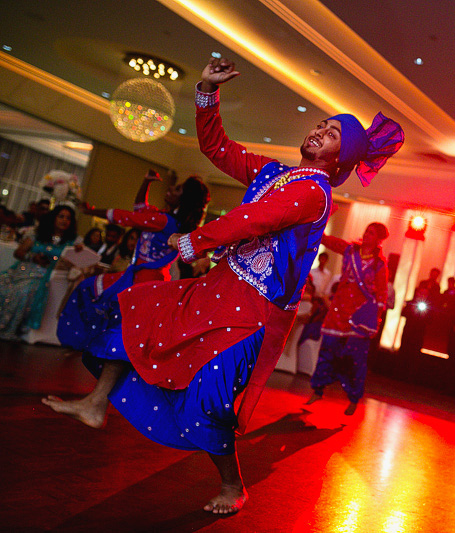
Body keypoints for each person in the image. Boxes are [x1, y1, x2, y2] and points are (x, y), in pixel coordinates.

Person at [43, 55, 403, 515]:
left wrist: (194, 241)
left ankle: (233, 485)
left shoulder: (316, 192)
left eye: (331, 134)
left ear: (340, 159)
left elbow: (257, 218)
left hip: (250, 311)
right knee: (139, 311)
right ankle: (95, 403)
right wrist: (207, 94)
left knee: (209, 400)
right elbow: (220, 151)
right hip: (217, 286)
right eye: (321, 123)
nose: (318, 130)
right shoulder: (275, 172)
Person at [54, 171, 210, 354]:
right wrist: (146, 182)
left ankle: (90, 346)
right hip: (140, 277)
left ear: (184, 198)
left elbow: (128, 217)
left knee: (110, 309)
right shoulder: (164, 218)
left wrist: (91, 211)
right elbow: (139, 208)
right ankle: (89, 345)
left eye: (177, 189)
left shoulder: (165, 221)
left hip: (145, 281)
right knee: (96, 296)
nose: (170, 189)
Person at [306, 222, 390, 415]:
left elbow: (382, 293)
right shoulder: (350, 250)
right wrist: (321, 219)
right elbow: (328, 241)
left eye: (371, 233)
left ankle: (353, 398)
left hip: (359, 314)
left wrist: (375, 319)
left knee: (355, 358)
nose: (366, 234)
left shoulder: (379, 264)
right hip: (339, 309)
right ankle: (317, 390)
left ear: (379, 239)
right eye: (366, 230)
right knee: (327, 349)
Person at [0, 205, 77, 340]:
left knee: (22, 291)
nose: (64, 220)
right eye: (61, 216)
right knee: (3, 285)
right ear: (54, 218)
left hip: (44, 275)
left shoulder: (71, 243)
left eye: (68, 218)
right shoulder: (38, 234)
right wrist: (32, 257)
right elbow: (18, 252)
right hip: (22, 269)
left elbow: (73, 263)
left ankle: (8, 327)